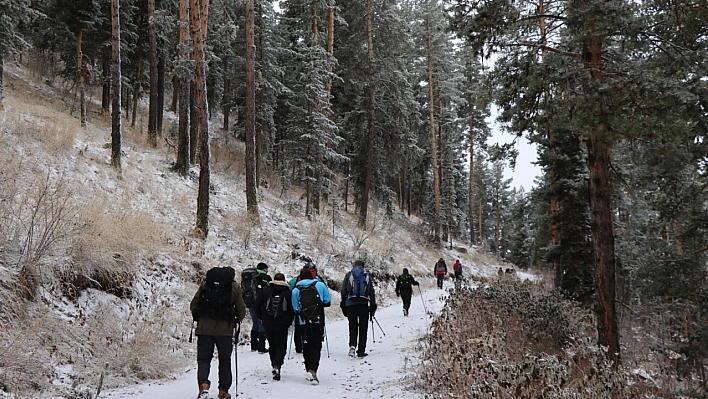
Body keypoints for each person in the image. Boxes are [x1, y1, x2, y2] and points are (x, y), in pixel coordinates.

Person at [190, 266, 247, 399]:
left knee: (204, 360)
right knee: (224, 360)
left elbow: (194, 304)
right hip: (225, 330)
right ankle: (223, 391)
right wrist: (235, 320)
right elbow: (241, 310)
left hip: (204, 329)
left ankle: (203, 385)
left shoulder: (206, 284)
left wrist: (201, 318)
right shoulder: (234, 287)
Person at [292, 269, 331, 385]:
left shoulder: (295, 290)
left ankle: (308, 368)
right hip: (317, 321)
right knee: (316, 346)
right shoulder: (320, 285)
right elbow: (328, 301)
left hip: (303, 322)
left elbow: (295, 308)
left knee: (306, 345)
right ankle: (312, 369)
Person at [253, 272, 295, 381]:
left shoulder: (266, 290)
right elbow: (292, 309)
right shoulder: (288, 292)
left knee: (272, 345)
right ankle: (278, 365)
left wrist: (262, 317)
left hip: (268, 322)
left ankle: (273, 364)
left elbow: (256, 305)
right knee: (281, 346)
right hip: (282, 323)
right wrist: (289, 321)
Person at [341, 259, 377, 358]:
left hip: (350, 304)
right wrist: (373, 306)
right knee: (363, 328)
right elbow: (371, 292)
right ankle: (361, 351)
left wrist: (343, 303)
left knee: (352, 326)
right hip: (363, 304)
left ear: (354, 265)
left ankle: (352, 346)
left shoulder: (349, 275)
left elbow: (344, 290)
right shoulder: (366, 276)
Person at [288, 262, 325, 354]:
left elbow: (290, 294)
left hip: (301, 314)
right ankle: (317, 343)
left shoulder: (295, 282)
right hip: (316, 312)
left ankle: (299, 347)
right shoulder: (319, 282)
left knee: (299, 328)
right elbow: (326, 300)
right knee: (317, 327)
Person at [247, 262, 272, 353]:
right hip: (261, 303)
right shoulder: (265, 278)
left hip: (250, 303)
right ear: (264, 269)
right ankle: (261, 346)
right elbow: (271, 289)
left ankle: (253, 346)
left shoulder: (251, 277)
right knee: (262, 322)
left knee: (255, 323)